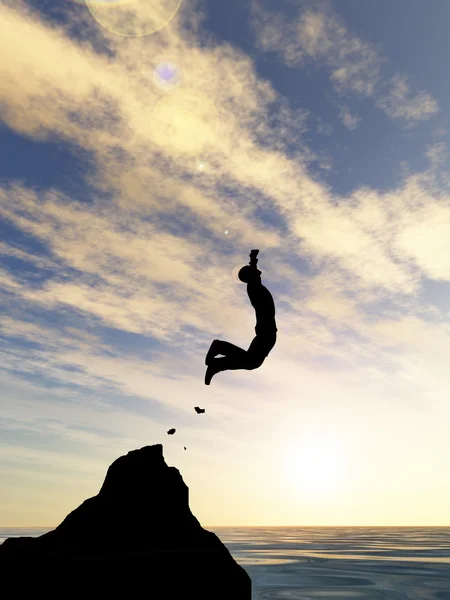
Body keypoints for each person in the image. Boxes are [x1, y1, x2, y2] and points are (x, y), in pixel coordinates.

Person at [205, 249, 278, 385]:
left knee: (250, 361)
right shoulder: (254, 287)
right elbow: (254, 274)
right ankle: (219, 349)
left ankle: (217, 362)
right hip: (266, 333)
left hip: (266, 332)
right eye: (254, 272)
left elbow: (254, 273)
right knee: (252, 362)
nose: (259, 273)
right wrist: (252, 259)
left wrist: (253, 260)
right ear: (250, 276)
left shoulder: (255, 286)